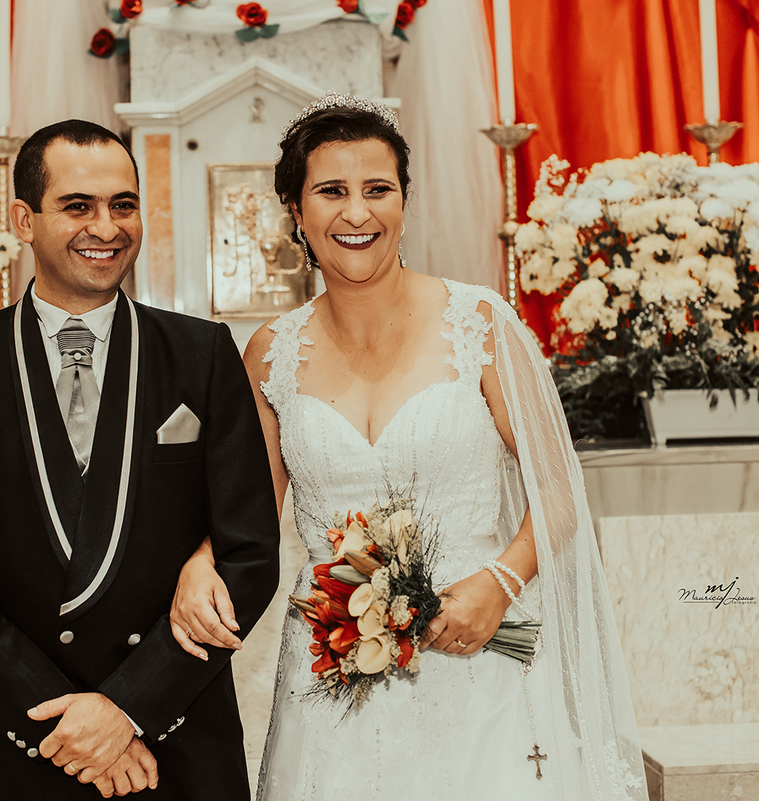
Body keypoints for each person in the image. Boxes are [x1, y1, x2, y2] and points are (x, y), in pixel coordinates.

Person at [169, 95, 649, 800]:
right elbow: (249, 510)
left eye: (378, 189)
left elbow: (558, 486)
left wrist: (500, 583)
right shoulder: (271, 352)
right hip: (335, 668)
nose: (356, 213)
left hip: (479, 651)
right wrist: (199, 561)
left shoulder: (480, 322)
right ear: (295, 211)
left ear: (404, 201)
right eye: (331, 191)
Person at [0, 119, 280, 800]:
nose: (106, 227)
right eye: (78, 205)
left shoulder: (201, 354)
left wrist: (127, 709)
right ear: (24, 219)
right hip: (28, 744)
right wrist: (67, 724)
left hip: (175, 739)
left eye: (123, 205)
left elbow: (249, 553)